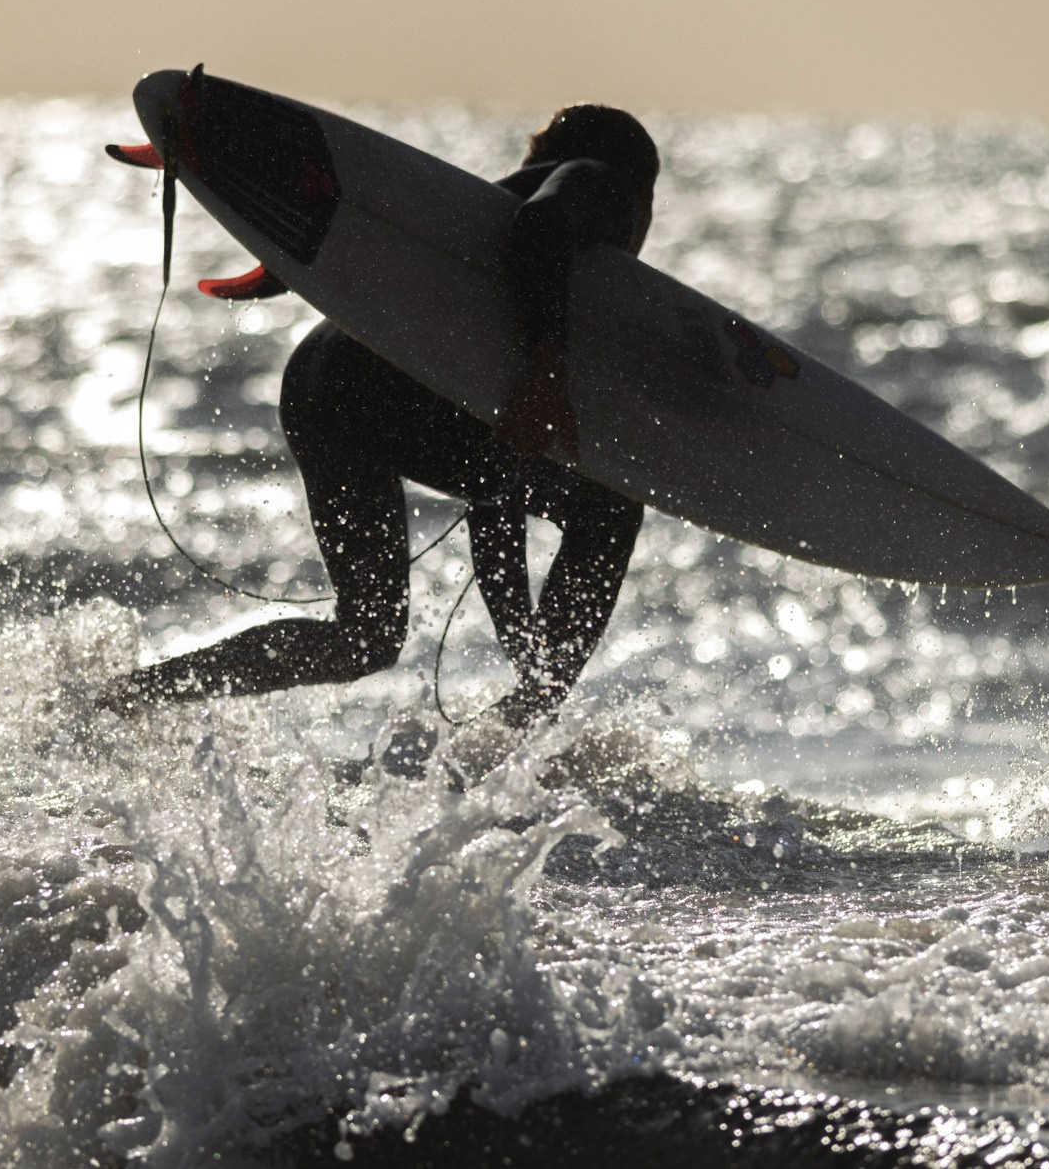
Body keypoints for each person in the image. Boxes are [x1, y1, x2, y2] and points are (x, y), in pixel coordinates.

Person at [93, 105, 658, 740]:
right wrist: (547, 374)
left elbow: (494, 490)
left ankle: (125, 696)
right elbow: (546, 224)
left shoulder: (484, 228)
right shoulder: (602, 182)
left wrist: (526, 658)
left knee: (365, 637)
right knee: (611, 508)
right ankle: (531, 718)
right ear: (645, 187)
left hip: (322, 376)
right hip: (379, 381)